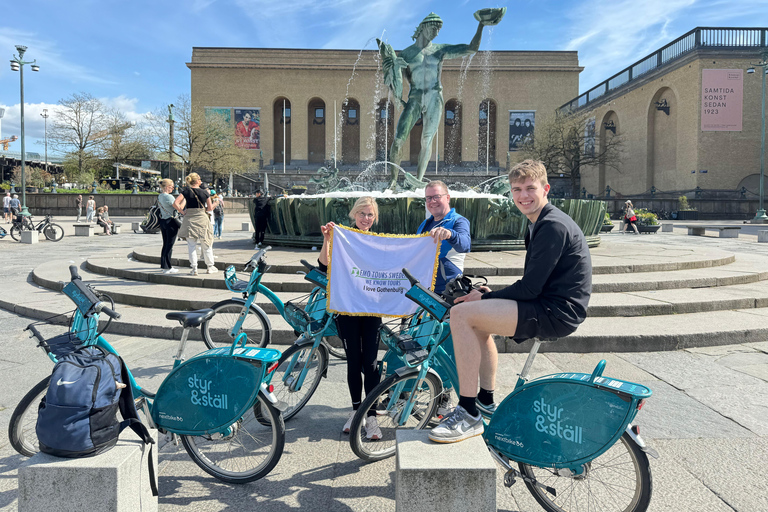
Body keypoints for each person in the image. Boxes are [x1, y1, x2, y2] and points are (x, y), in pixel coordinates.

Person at [429, 159, 592, 443]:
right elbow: (534, 284)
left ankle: (468, 413)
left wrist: (490, 294)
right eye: (517, 189)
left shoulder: (551, 226)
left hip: (555, 312)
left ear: (546, 189)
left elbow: (529, 288)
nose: (523, 195)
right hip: (549, 304)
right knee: (476, 317)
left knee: (461, 316)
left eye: (530, 188)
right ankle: (485, 399)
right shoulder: (540, 222)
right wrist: (487, 295)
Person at [379, 10, 503, 187]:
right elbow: (395, 84)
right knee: (398, 139)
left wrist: (481, 25)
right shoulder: (406, 54)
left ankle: (419, 180)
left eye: (438, 30)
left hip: (434, 97)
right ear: (423, 27)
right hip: (415, 97)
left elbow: (471, 48)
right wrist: (396, 70)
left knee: (426, 139)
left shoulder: (440, 50)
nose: (436, 33)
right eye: (433, 28)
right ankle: (392, 181)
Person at [318, 197, 383, 440]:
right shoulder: (342, 237)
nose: (366, 218)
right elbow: (324, 266)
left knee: (371, 363)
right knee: (353, 361)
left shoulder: (379, 241)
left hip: (371, 309)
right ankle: (357, 412)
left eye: (370, 215)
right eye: (362, 213)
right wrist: (327, 239)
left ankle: (373, 415)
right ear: (354, 214)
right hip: (346, 308)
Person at [416, 180, 471, 417]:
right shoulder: (425, 223)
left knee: (445, 348)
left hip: (448, 295)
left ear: (447, 198)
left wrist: (450, 234)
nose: (432, 202)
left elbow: (466, 243)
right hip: (425, 293)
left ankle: (445, 397)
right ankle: (417, 388)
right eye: (428, 198)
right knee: (421, 342)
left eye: (436, 197)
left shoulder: (458, 221)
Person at [174, 173, 217, 276]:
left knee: (191, 246)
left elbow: (175, 203)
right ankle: (210, 267)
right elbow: (210, 208)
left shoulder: (185, 192)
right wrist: (216, 203)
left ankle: (194, 268)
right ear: (197, 181)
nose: (201, 181)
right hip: (202, 219)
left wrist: (182, 211)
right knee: (206, 244)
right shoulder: (205, 192)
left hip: (189, 219)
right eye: (200, 179)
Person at [157, 179, 180, 274]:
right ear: (167, 187)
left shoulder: (160, 196)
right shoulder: (169, 197)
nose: (173, 188)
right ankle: (167, 267)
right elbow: (178, 207)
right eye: (171, 186)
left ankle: (164, 265)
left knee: (165, 244)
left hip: (163, 221)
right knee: (169, 245)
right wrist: (184, 200)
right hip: (171, 221)